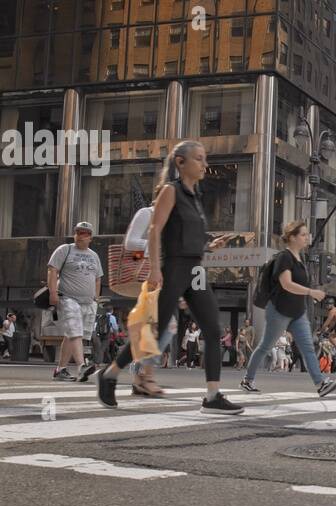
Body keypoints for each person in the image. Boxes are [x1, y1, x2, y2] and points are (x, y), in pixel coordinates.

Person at [97, 142, 243, 412]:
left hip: (195, 269)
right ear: (180, 162)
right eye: (199, 159)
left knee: (213, 330)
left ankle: (212, 396)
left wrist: (209, 246)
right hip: (173, 268)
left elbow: (186, 237)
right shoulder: (170, 191)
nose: (204, 164)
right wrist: (154, 269)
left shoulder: (195, 197)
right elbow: (155, 232)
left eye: (205, 159)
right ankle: (110, 374)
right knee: (153, 332)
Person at [239, 221, 336, 396]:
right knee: (265, 346)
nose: (307, 237)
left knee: (308, 347)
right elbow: (286, 284)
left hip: (298, 312)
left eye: (307, 234)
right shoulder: (285, 257)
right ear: (292, 237)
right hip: (279, 310)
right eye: (303, 234)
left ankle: (321, 384)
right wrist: (311, 292)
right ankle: (247, 380)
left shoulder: (301, 260)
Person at [47, 222, 103, 383]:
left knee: (72, 334)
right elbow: (52, 269)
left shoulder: (94, 255)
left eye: (84, 233)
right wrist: (52, 292)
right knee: (75, 330)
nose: (80, 235)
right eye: (78, 232)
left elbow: (98, 278)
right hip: (67, 297)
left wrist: (96, 298)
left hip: (88, 302)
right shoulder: (65, 249)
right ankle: (82, 365)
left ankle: (60, 370)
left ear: (90, 237)